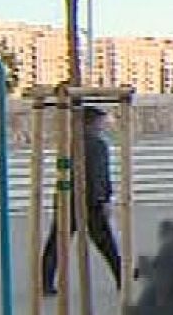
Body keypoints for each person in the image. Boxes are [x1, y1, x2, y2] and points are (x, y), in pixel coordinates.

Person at [41, 105, 121, 296]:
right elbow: (99, 175)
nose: (103, 125)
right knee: (106, 243)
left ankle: (45, 280)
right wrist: (104, 199)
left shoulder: (69, 143)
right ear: (92, 122)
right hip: (90, 201)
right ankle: (122, 276)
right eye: (101, 121)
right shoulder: (97, 144)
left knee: (57, 242)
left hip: (66, 198)